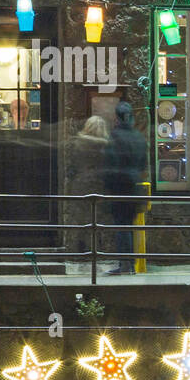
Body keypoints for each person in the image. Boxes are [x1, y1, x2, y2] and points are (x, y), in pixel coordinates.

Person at [103, 101, 148, 274]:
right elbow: (143, 164)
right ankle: (129, 264)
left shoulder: (115, 137)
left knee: (121, 227)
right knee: (128, 226)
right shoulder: (138, 137)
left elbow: (110, 163)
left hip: (119, 187)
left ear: (117, 117)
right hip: (134, 186)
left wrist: (107, 183)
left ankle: (126, 264)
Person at [67, 115, 109, 258]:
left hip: (81, 182)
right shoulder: (106, 145)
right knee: (98, 217)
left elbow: (72, 164)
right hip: (100, 183)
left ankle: (81, 246)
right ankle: (98, 247)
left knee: (81, 216)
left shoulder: (78, 143)